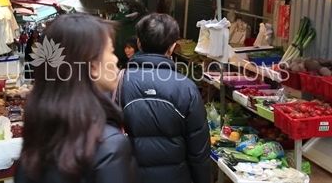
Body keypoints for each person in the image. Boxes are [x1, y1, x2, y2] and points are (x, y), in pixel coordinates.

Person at [15, 13, 140, 183]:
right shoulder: (108, 145)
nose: (116, 58)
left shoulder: (38, 136)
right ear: (93, 66)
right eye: (111, 51)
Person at [114, 13, 211, 183]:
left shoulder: (118, 82)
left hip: (128, 175)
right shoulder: (187, 88)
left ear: (138, 43)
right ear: (173, 47)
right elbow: (199, 152)